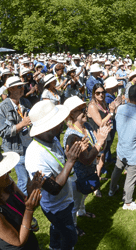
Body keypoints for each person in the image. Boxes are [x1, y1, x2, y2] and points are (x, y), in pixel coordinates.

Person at [25, 100, 84, 250]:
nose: (62, 124)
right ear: (46, 128)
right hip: (56, 207)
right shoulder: (35, 156)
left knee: (57, 229)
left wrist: (67, 157)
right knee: (71, 239)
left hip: (65, 199)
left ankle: (54, 246)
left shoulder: (52, 138)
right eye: (57, 122)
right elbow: (53, 188)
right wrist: (70, 161)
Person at [63, 96, 110, 235]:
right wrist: (100, 142)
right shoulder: (72, 137)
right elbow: (86, 159)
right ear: (71, 114)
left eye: (85, 109)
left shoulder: (87, 126)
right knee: (74, 204)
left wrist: (103, 139)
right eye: (81, 110)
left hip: (88, 173)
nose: (85, 112)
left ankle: (82, 212)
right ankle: (73, 227)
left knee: (83, 197)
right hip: (77, 177)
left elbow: (98, 147)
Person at [108, 85, 136, 210]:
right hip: (135, 153)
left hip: (121, 148)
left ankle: (111, 190)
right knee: (130, 179)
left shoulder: (120, 109)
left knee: (117, 169)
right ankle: (127, 202)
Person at [0, 76, 32, 196]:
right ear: (10, 89)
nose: (23, 88)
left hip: (30, 145)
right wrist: (22, 124)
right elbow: (2, 132)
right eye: (19, 86)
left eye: (23, 86)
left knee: (32, 174)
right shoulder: (2, 108)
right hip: (16, 149)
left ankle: (33, 196)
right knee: (23, 179)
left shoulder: (25, 102)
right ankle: (24, 204)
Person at [87, 84, 118, 196]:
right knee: (98, 161)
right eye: (98, 93)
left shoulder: (103, 102)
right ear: (93, 94)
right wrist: (110, 112)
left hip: (104, 133)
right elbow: (100, 123)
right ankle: (95, 187)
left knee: (101, 160)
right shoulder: (92, 106)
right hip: (96, 136)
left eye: (103, 92)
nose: (101, 95)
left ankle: (97, 178)